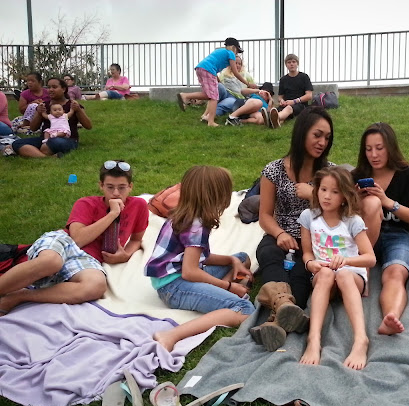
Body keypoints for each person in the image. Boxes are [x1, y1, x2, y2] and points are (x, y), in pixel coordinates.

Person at [0, 161, 148, 315]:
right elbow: (78, 239)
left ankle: (20, 296)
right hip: (65, 241)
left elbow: (136, 239)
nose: (116, 193)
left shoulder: (139, 205)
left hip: (89, 259)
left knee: (96, 285)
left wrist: (125, 255)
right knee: (51, 262)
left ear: (130, 187)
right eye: (110, 187)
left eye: (122, 187)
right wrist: (112, 214)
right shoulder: (86, 203)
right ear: (101, 186)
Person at [144, 166, 255, 352]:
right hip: (174, 288)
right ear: (218, 196)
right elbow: (190, 272)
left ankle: (217, 294)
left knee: (241, 258)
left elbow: (199, 258)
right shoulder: (196, 225)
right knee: (244, 309)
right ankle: (171, 335)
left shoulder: (186, 215)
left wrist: (231, 260)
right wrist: (228, 286)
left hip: (175, 277)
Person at [251, 107, 335, 351]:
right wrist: (280, 234)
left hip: (314, 242)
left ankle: (274, 322)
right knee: (268, 254)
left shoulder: (330, 173)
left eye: (327, 137)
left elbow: (340, 213)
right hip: (280, 234)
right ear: (302, 133)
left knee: (300, 275)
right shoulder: (274, 170)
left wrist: (314, 196)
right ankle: (287, 313)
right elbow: (265, 215)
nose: (322, 142)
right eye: (317, 135)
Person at [351, 122, 409, 336]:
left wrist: (387, 201)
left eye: (379, 148)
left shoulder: (407, 174)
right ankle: (364, 270)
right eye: (368, 149)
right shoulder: (357, 176)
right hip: (364, 235)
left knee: (396, 273)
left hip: (397, 235)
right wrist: (355, 200)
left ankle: (390, 317)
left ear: (390, 147)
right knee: (371, 203)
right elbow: (343, 216)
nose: (374, 155)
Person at [298, 166, 376, 370]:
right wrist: (310, 263)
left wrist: (346, 261)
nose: (327, 196)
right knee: (325, 273)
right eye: (323, 189)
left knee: (343, 275)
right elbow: (307, 252)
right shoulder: (308, 217)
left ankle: (361, 339)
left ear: (344, 196)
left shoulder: (352, 221)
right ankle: (313, 339)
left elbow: (370, 258)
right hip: (323, 275)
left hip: (351, 276)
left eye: (334, 192)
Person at [7, 77, 92, 158]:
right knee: (16, 144)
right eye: (48, 87)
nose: (50, 90)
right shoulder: (44, 105)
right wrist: (39, 113)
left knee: (55, 141)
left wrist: (78, 110)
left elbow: (88, 126)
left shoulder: (72, 105)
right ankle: (47, 157)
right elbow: (33, 128)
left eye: (54, 87)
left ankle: (36, 151)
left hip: (67, 140)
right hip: (45, 139)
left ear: (63, 89)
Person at [176, 37, 252, 127]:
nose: (236, 54)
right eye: (237, 51)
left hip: (200, 68)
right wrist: (247, 83)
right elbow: (235, 72)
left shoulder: (219, 51)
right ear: (234, 47)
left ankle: (185, 96)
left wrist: (218, 80)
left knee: (208, 95)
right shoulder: (230, 53)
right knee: (214, 97)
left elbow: (213, 64)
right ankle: (211, 122)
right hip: (208, 70)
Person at [268, 53, 313, 129]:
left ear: (297, 64)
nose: (291, 64)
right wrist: (281, 101)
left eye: (293, 62)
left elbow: (309, 95)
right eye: (289, 62)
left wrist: (294, 101)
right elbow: (280, 96)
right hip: (286, 104)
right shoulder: (283, 79)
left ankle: (275, 118)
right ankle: (276, 122)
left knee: (288, 109)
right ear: (286, 65)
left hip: (300, 105)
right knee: (277, 110)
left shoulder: (304, 77)